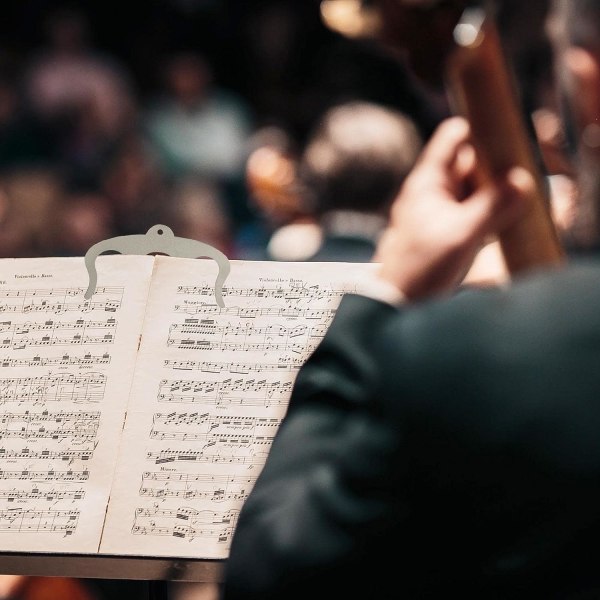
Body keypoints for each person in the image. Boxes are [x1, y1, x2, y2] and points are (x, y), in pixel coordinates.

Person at [221, 1, 600, 598]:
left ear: (588, 76)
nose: (551, 129)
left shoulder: (468, 354)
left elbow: (270, 569)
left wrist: (388, 288)